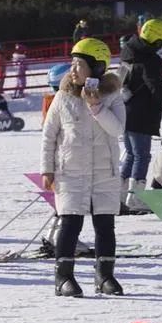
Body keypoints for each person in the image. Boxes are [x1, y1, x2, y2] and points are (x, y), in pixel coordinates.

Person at [41, 38, 125, 297]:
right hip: (70, 171)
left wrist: (96, 106)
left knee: (105, 225)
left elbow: (117, 129)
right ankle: (63, 277)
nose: (73, 70)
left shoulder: (112, 96)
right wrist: (47, 169)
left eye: (80, 65)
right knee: (70, 224)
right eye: (72, 64)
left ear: (98, 68)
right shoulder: (62, 97)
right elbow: (49, 134)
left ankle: (105, 276)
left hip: (103, 172)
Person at [117, 18, 162, 211]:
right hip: (141, 113)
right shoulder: (151, 60)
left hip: (125, 108)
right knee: (142, 156)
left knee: (130, 154)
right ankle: (135, 198)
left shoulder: (129, 51)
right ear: (156, 41)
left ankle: (120, 196)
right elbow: (154, 85)